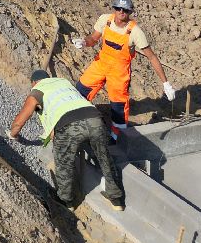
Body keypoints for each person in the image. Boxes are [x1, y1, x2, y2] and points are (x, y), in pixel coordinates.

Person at [10, 70, 125, 211]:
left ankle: (66, 201)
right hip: (95, 119)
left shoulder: (37, 91)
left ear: (34, 82)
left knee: (64, 162)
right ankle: (116, 199)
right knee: (105, 158)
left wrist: (13, 134)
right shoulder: (64, 83)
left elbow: (21, 119)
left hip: (68, 125)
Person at [74, 0, 176, 139]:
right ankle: (75, 123)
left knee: (119, 107)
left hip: (119, 72)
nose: (121, 12)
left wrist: (166, 84)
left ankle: (117, 137)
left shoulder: (135, 32)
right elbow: (93, 38)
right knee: (80, 91)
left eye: (125, 10)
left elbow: (152, 57)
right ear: (114, 9)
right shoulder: (105, 20)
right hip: (101, 64)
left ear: (130, 12)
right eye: (118, 8)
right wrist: (84, 42)